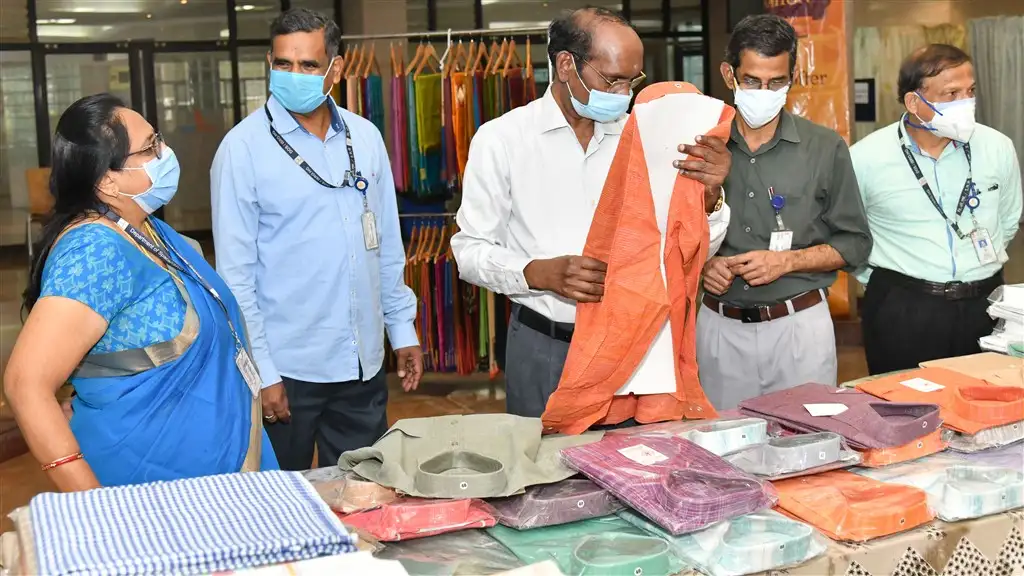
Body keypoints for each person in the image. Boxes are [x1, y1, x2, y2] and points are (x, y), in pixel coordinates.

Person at [451, 7, 733, 419]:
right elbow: (469, 250)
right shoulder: (502, 140)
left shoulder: (644, 138)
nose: (624, 94)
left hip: (635, 346)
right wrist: (536, 272)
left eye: (632, 80)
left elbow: (688, 250)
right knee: (544, 476)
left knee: (633, 469)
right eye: (613, 79)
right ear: (566, 65)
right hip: (545, 344)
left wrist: (708, 197)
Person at [3, 94, 278, 491]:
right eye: (151, 148)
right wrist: (95, 504)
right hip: (146, 489)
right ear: (106, 179)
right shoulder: (94, 251)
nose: (166, 153)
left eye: (159, 139)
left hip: (218, 475)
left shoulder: (150, 231)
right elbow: (25, 384)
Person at [211, 8, 420, 471]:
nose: (294, 75)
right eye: (283, 64)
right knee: (282, 508)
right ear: (269, 62)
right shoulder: (242, 151)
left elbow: (385, 246)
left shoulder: (364, 138)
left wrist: (401, 329)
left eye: (308, 65)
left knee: (364, 493)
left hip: (361, 366)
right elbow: (236, 279)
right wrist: (264, 374)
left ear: (335, 69)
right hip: (287, 372)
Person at [697, 14, 872, 409]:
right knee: (725, 450)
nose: (764, 92)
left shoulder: (825, 148)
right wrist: (702, 265)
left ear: (792, 76)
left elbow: (856, 244)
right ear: (729, 75)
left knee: (809, 448)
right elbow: (665, 238)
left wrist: (786, 262)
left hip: (799, 328)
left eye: (777, 82)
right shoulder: (701, 146)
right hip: (720, 329)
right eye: (752, 81)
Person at [851, 44, 1022, 374]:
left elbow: (1009, 217)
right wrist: (885, 281)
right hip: (904, 309)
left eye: (970, 91)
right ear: (914, 102)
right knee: (907, 410)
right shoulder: (864, 158)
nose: (966, 103)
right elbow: (847, 233)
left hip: (985, 305)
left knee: (986, 408)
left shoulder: (997, 147)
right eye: (952, 93)